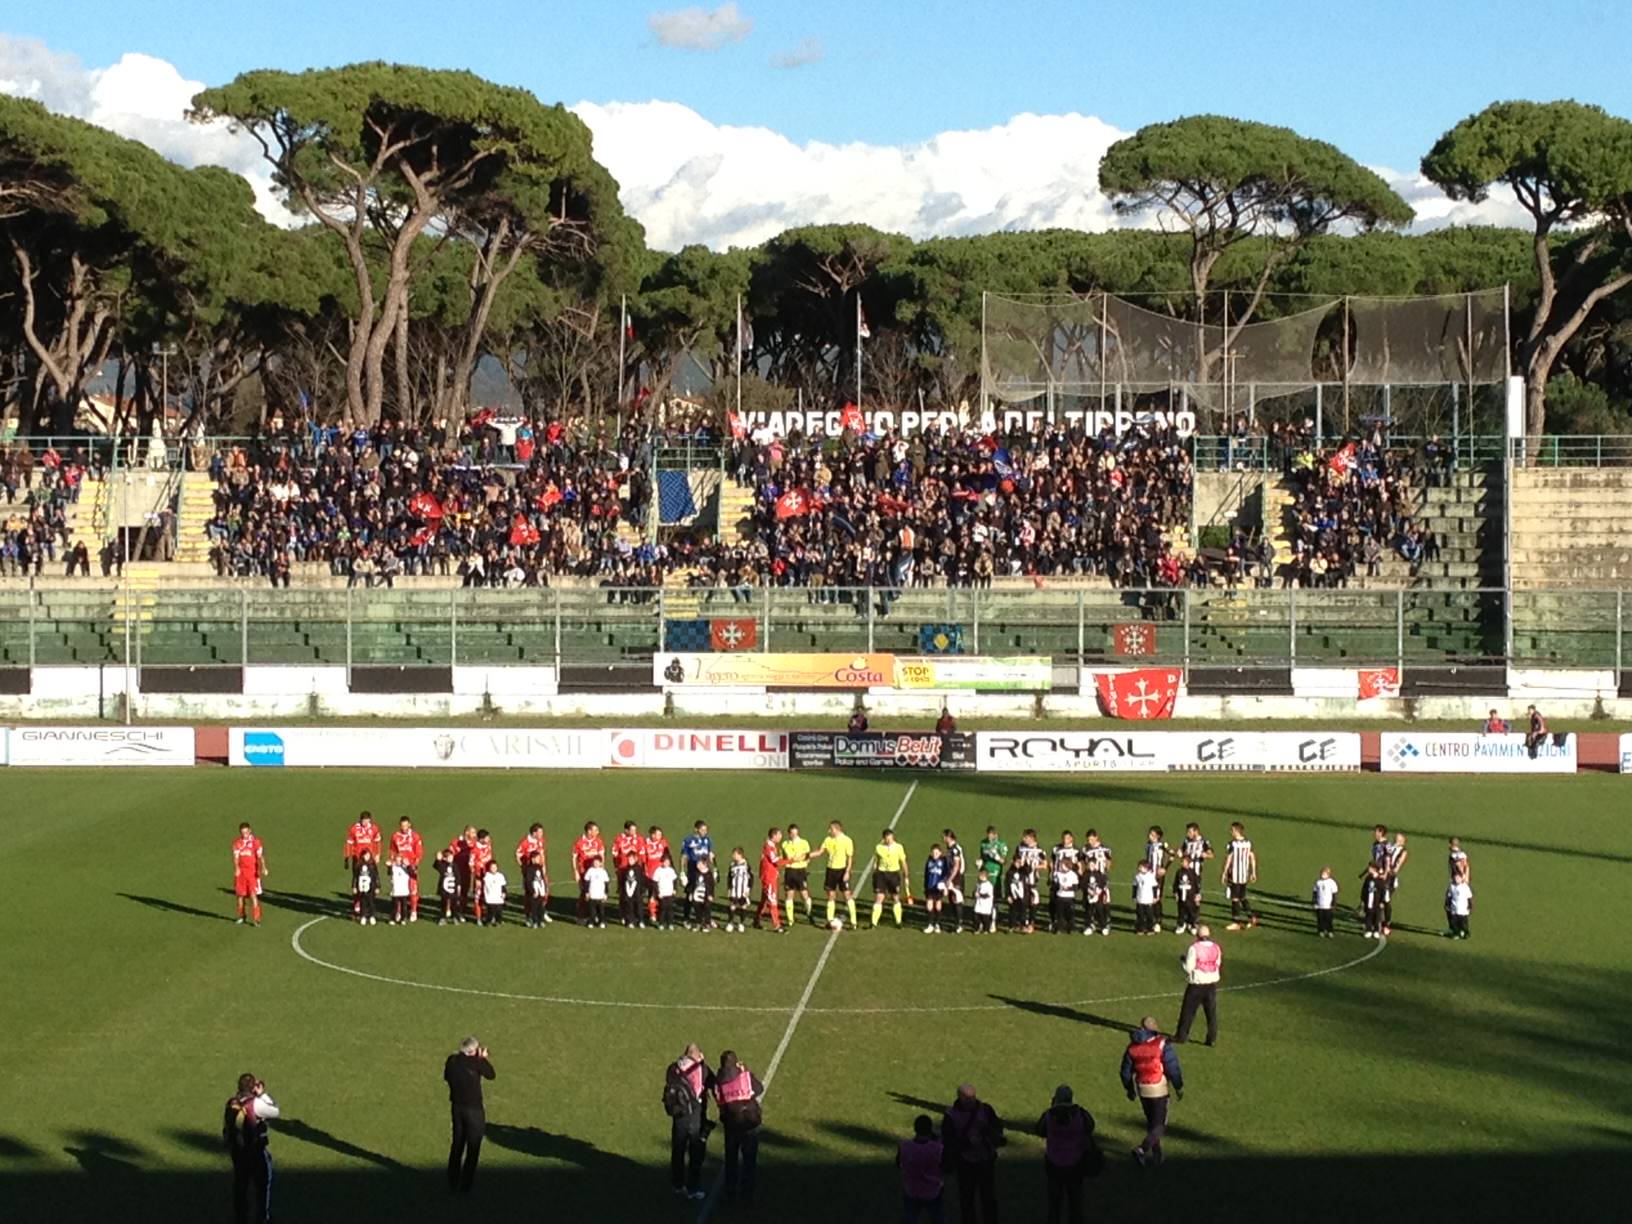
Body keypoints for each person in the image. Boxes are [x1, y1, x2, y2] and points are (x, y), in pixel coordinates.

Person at [1120, 1017, 1183, 1166]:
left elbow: (1125, 1072)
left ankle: (1157, 1155)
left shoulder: (1132, 1047)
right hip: (1158, 1088)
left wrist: (1129, 1089)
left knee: (1152, 1123)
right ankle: (1142, 1149)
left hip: (1142, 1088)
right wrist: (1178, 1086)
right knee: (1160, 1125)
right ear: (1154, 1028)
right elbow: (1172, 1067)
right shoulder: (1162, 1044)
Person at [1036, 1084, 1098, 1224]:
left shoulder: (1049, 1115)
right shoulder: (1080, 1114)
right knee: (1075, 1203)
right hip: (1076, 1163)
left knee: (1054, 1204)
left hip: (1054, 1163)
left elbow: (1039, 1130)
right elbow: (1090, 1126)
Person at [941, 1083, 1003, 1224]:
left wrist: (988, 1134)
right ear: (959, 1098)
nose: (971, 1101)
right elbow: (948, 1141)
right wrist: (967, 1143)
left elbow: (998, 1127)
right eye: (967, 1098)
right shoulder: (951, 1116)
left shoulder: (986, 1110)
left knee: (988, 1198)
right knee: (967, 1199)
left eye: (973, 1097)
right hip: (965, 1162)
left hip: (985, 1159)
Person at [223, 1073, 279, 1224]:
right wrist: (263, 1094)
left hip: (238, 1153)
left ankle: (240, 1218)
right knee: (262, 1188)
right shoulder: (256, 1104)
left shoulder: (231, 1103)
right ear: (253, 1087)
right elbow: (275, 1111)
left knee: (241, 1186)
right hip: (256, 1153)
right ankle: (263, 1219)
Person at [443, 1036, 494, 1192]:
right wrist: (483, 1059)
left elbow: (446, 1077)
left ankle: (452, 1180)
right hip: (473, 1111)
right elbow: (491, 1074)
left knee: (457, 1144)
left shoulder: (452, 1061)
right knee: (473, 1148)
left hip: (457, 1108)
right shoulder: (477, 1063)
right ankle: (466, 1186)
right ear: (472, 1051)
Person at [713, 1050, 765, 1201]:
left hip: (732, 1124)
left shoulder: (719, 1081)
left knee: (731, 1159)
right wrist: (745, 1071)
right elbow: (759, 1089)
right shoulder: (744, 1076)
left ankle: (730, 1191)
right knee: (749, 1161)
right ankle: (747, 1194)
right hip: (749, 1122)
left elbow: (719, 1101)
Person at [665, 1043, 714, 1201]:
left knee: (678, 1150)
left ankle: (677, 1184)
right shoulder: (702, 1069)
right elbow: (713, 1083)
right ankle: (693, 1188)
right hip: (694, 1115)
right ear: (699, 1055)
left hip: (678, 1115)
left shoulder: (673, 1068)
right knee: (695, 1152)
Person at [1174, 925, 1221, 1045]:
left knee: (1188, 1012)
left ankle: (1182, 1036)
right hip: (1211, 984)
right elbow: (1217, 963)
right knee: (1211, 1014)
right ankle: (1212, 1038)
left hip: (1197, 984)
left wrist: (1183, 961)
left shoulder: (1194, 948)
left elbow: (1189, 968)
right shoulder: (1216, 947)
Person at [897, 1114, 945, 1224]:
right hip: (933, 1190)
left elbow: (898, 1163)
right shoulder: (937, 1148)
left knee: (909, 1217)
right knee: (937, 1218)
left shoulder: (905, 1146)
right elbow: (946, 1166)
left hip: (911, 1189)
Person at [811, 820, 857, 929]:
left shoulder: (847, 840)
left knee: (847, 895)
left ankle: (854, 922)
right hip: (830, 870)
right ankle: (829, 920)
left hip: (842, 870)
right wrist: (807, 856)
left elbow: (850, 858)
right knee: (831, 895)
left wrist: (847, 872)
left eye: (831, 829)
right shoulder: (828, 840)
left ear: (837, 829)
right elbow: (820, 852)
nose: (829, 831)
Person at [870, 828, 911, 929]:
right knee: (879, 897)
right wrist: (874, 872)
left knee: (895, 897)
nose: (889, 841)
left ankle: (898, 921)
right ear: (884, 838)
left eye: (890, 838)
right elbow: (876, 861)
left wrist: (906, 875)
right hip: (881, 874)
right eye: (887, 839)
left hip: (893, 875)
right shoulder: (879, 847)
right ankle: (873, 922)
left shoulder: (899, 847)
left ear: (893, 837)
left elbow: (903, 862)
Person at [1221, 822, 1258, 930]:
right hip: (1244, 875)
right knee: (1242, 897)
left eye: (1232, 830)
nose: (1230, 832)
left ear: (1237, 831)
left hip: (1235, 875)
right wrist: (1253, 872)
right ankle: (1252, 917)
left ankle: (1236, 922)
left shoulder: (1232, 844)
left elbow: (1229, 858)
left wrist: (1224, 872)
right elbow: (1252, 857)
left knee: (1235, 898)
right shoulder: (1248, 843)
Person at [679, 820, 715, 927]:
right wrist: (682, 871)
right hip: (693, 871)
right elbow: (684, 856)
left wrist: (715, 868)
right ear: (696, 829)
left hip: (704, 871)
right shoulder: (688, 840)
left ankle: (706, 918)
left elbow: (710, 855)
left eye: (706, 829)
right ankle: (686, 918)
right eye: (702, 829)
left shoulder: (708, 840)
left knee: (705, 894)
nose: (705, 831)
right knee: (691, 895)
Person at [389, 816, 423, 923]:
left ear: (409, 825)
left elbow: (419, 853)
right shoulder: (395, 836)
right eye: (402, 825)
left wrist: (414, 865)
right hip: (399, 868)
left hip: (410, 867)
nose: (404, 827)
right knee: (399, 890)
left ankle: (413, 910)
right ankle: (398, 911)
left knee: (413, 890)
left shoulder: (415, 836)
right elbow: (392, 851)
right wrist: (392, 862)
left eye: (406, 825)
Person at [231, 822, 266, 926]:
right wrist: (237, 868)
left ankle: (256, 919)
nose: (244, 834)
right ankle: (241, 916)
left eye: (246, 832)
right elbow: (236, 858)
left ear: (249, 831)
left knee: (253, 895)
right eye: (242, 832)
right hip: (241, 874)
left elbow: (260, 856)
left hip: (252, 874)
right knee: (240, 896)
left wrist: (264, 867)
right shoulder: (237, 843)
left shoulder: (255, 842)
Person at [613, 820, 645, 928]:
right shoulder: (619, 839)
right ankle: (624, 915)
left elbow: (642, 855)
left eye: (635, 830)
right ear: (626, 830)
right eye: (631, 830)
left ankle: (638, 917)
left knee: (637, 894)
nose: (634, 832)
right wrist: (617, 868)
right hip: (623, 870)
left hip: (636, 871)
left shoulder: (639, 839)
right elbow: (615, 855)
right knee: (624, 894)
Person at [781, 823, 813, 927]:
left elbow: (807, 856)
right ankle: (790, 920)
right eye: (792, 833)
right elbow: (784, 858)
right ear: (789, 833)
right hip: (790, 871)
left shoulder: (804, 843)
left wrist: (803, 861)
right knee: (789, 894)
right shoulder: (785, 844)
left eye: (795, 833)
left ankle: (809, 913)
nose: (794, 835)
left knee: (804, 894)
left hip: (800, 871)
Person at [572, 821, 605, 923]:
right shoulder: (579, 842)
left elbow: (602, 856)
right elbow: (574, 857)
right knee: (584, 893)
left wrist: (602, 869)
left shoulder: (598, 841)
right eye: (595, 830)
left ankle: (594, 915)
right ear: (589, 831)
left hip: (596, 873)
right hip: (584, 873)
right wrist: (576, 871)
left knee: (597, 893)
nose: (597, 832)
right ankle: (581, 916)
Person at [754, 827, 784, 932]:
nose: (781, 837)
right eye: (779, 835)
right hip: (769, 878)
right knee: (772, 901)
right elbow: (776, 861)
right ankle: (777, 926)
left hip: (770, 876)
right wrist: (792, 860)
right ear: (774, 836)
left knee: (764, 900)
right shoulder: (769, 847)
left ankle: (756, 920)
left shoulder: (772, 846)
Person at [1143, 826, 1171, 931]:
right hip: (1149, 876)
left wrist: (1164, 868)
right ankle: (1150, 920)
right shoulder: (1148, 845)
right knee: (1148, 897)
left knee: (1156, 898)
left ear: (1158, 836)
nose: (1150, 836)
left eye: (1152, 834)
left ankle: (1158, 921)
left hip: (1158, 877)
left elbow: (1172, 855)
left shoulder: (1162, 845)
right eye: (1149, 834)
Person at [643, 824, 670, 926]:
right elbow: (643, 859)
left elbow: (667, 856)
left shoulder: (663, 843)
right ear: (652, 835)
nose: (660, 836)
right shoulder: (645, 843)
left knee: (661, 894)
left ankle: (661, 913)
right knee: (652, 895)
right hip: (650, 874)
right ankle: (652, 914)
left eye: (660, 834)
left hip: (662, 874)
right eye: (658, 834)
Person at [343, 811, 382, 883]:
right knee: (357, 875)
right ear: (360, 820)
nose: (365, 822)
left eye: (366, 820)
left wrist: (378, 855)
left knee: (372, 874)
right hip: (357, 856)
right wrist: (347, 856)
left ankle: (374, 888)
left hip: (370, 856)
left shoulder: (374, 828)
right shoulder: (354, 828)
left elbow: (378, 842)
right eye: (363, 820)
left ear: (369, 820)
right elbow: (349, 843)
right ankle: (356, 892)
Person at [942, 830, 968, 933]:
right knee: (952, 900)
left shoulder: (955, 849)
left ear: (949, 837)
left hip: (956, 877)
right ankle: (956, 922)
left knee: (956, 899)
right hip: (952, 876)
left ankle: (959, 923)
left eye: (944, 837)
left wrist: (950, 879)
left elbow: (956, 865)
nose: (943, 839)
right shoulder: (950, 848)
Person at [1383, 833, 1409, 935]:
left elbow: (1398, 864)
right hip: (1384, 875)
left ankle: (1387, 923)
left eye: (1399, 838)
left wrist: (1391, 870)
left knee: (1386, 899)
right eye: (1396, 838)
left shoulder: (1403, 851)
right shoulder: (1390, 846)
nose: (1396, 839)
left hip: (1390, 878)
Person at [923, 843, 951, 934]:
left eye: (936, 853)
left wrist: (945, 886)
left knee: (938, 905)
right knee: (929, 905)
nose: (935, 854)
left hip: (939, 887)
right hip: (930, 886)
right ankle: (930, 924)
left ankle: (937, 924)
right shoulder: (929, 861)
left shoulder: (943, 861)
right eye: (933, 853)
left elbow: (946, 874)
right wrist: (925, 886)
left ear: (940, 853)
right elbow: (926, 874)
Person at [725, 847, 752, 933]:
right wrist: (729, 888)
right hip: (734, 890)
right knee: (732, 906)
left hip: (743, 891)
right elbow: (729, 877)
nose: (733, 856)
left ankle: (741, 923)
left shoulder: (746, 865)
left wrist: (748, 889)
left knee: (743, 906)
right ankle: (730, 923)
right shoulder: (732, 865)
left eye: (734, 854)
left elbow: (751, 878)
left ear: (740, 855)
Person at [978, 826, 1009, 899]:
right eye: (988, 834)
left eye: (991, 834)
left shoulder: (1001, 844)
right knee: (984, 890)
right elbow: (982, 856)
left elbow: (1004, 861)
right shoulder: (983, 843)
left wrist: (997, 857)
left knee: (995, 892)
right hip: (985, 869)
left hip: (995, 870)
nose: (989, 836)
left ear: (995, 835)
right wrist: (979, 861)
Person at [1172, 861, 1201, 935]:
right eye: (1181, 861)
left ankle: (1192, 925)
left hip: (1190, 896)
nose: (1182, 863)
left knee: (1191, 911)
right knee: (1181, 911)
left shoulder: (1192, 872)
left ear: (1188, 863)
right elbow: (1176, 883)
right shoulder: (1179, 872)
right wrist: (1175, 893)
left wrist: (1197, 894)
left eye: (1184, 862)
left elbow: (1196, 884)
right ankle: (1181, 925)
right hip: (1181, 895)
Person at [652, 852, 679, 929]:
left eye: (668, 862)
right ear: (662, 862)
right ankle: (661, 923)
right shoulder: (658, 871)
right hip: (662, 894)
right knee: (662, 909)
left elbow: (674, 880)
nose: (667, 863)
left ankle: (670, 923)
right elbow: (655, 883)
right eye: (665, 861)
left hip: (670, 893)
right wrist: (657, 893)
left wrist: (675, 889)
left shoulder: (671, 870)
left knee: (670, 909)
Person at [582, 855, 609, 928]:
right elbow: (586, 882)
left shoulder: (603, 871)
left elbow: (606, 883)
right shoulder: (590, 871)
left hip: (600, 895)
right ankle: (591, 922)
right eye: (595, 862)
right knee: (592, 910)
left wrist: (606, 894)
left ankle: (602, 922)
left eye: (597, 862)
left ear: (601, 863)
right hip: (592, 895)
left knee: (601, 911)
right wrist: (587, 892)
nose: (596, 863)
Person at [689, 858, 716, 930]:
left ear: (705, 865)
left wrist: (711, 895)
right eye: (698, 864)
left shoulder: (709, 874)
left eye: (700, 864)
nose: (698, 865)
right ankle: (698, 923)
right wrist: (691, 893)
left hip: (706, 895)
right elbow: (692, 884)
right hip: (696, 895)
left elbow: (712, 885)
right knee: (697, 909)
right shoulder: (696, 873)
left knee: (707, 908)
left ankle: (707, 924)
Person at [523, 851, 548, 929]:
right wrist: (532, 891)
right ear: (532, 859)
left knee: (541, 907)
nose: (539, 860)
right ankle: (535, 922)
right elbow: (528, 881)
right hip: (534, 893)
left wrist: (545, 888)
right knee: (534, 908)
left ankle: (541, 921)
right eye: (537, 858)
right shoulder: (529, 869)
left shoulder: (539, 867)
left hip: (541, 891)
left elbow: (542, 879)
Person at [353, 850, 379, 925]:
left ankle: (372, 916)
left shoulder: (372, 864)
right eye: (365, 855)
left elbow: (376, 876)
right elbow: (355, 877)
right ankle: (363, 916)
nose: (367, 857)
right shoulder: (359, 865)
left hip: (371, 886)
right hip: (362, 887)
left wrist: (377, 886)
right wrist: (354, 886)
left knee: (371, 902)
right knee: (363, 902)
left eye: (368, 855)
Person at [1132, 861, 1159, 934]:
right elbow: (1134, 886)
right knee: (1140, 915)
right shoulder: (1137, 876)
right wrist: (1134, 896)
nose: (1139, 868)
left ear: (1146, 868)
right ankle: (1140, 929)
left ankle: (1150, 928)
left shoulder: (1151, 876)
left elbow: (1155, 887)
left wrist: (1155, 897)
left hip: (1148, 900)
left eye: (1141, 867)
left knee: (1149, 915)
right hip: (1140, 899)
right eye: (1139, 867)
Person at [1312, 867, 1339, 938]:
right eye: (1322, 873)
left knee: (1328, 919)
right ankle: (1321, 931)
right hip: (1320, 905)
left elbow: (1334, 894)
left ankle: (1330, 931)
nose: (1322, 875)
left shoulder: (1331, 883)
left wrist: (1333, 904)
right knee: (1320, 919)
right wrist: (1314, 902)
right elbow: (1314, 893)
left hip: (1328, 905)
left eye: (1324, 874)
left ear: (1328, 874)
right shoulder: (1318, 882)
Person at [481, 861, 508, 926]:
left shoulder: (500, 876)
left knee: (499, 911)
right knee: (491, 911)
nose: (493, 869)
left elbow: (503, 886)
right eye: (492, 867)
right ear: (489, 868)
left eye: (495, 867)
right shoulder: (487, 876)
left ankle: (498, 921)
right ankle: (489, 921)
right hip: (490, 897)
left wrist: (504, 893)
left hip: (499, 897)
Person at [972, 868, 997, 934]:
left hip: (986, 905)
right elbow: (975, 891)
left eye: (980, 875)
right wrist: (974, 894)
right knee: (977, 917)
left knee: (985, 918)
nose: (979, 876)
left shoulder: (989, 885)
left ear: (984, 876)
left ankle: (986, 929)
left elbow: (988, 895)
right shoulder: (978, 883)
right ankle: (976, 929)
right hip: (978, 903)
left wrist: (979, 895)